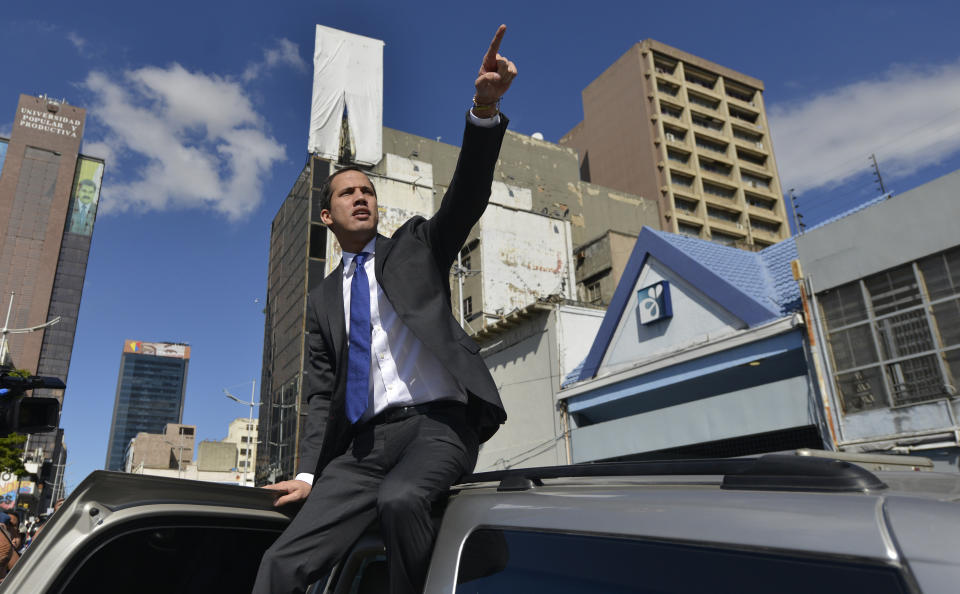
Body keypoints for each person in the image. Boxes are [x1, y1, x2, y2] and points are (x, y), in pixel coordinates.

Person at [253, 24, 517, 594]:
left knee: (402, 502)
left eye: (367, 191)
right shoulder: (323, 299)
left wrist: (484, 109)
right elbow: (321, 395)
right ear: (327, 215)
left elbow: (467, 196)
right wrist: (305, 474)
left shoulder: (418, 247)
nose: (360, 196)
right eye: (347, 192)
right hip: (364, 448)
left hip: (436, 427)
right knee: (280, 563)